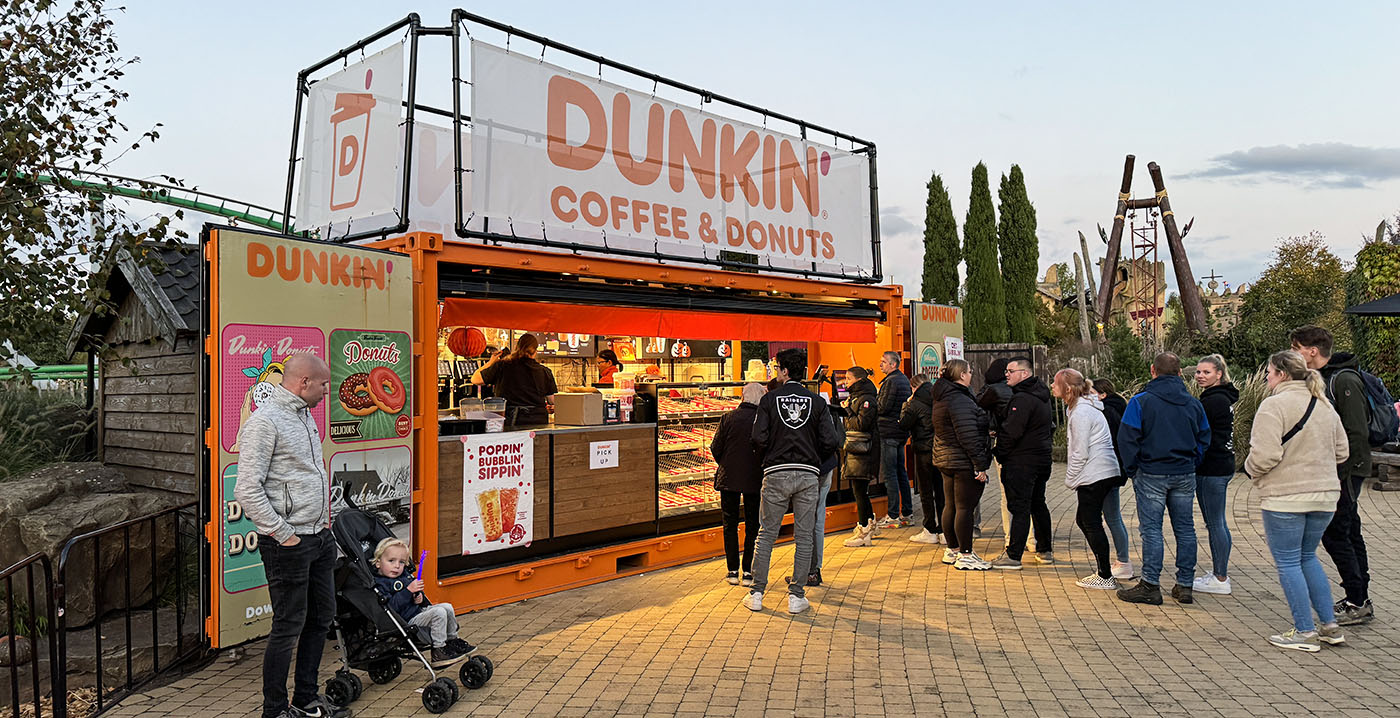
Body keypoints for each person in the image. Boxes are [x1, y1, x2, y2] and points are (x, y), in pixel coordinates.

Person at [232, 354, 348, 718]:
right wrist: (284, 535)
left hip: (318, 537)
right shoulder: (265, 422)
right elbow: (247, 490)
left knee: (321, 617)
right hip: (288, 543)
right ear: (303, 382)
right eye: (323, 385)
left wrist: (323, 527)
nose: (327, 392)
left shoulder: (304, 414)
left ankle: (306, 699)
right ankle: (275, 710)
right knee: (288, 626)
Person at [1244, 351, 1349, 652]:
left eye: (1269, 372)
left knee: (1289, 561)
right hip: (1326, 495)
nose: (1266, 377)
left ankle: (1304, 630)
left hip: (1286, 497)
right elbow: (1342, 451)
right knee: (1308, 557)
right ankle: (1329, 625)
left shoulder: (1273, 405)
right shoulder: (1324, 404)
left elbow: (1265, 455)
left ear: (1282, 374)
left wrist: (1251, 471)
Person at [745, 349, 842, 614]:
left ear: (785, 371)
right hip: (808, 474)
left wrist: (767, 457)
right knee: (804, 536)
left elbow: (758, 438)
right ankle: (796, 596)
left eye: (778, 369)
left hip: (776, 472)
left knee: (766, 534)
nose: (777, 373)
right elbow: (831, 442)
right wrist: (813, 460)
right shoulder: (817, 402)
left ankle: (756, 592)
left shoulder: (769, 400)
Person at [1290, 325, 1375, 626]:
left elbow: (1355, 432)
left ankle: (1358, 599)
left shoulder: (1344, 379)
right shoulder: (1322, 379)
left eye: (1297, 348)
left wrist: (1341, 472)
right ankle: (1358, 596)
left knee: (1340, 532)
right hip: (1335, 470)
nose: (1294, 353)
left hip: (1346, 471)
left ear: (1312, 350)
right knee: (1346, 529)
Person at [1115, 352, 1211, 606]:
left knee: (1152, 530)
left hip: (1151, 471)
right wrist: (1192, 461)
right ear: (1180, 373)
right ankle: (1185, 583)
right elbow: (1204, 437)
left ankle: (1150, 584)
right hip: (1183, 470)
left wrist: (1132, 468)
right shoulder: (1193, 403)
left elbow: (1126, 438)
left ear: (1152, 371)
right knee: (1185, 528)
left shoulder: (1140, 402)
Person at [1055, 369, 1124, 590]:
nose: (1052, 387)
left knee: (1090, 521)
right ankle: (1103, 571)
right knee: (1085, 520)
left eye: (1055, 383)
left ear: (1067, 388)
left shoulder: (1082, 413)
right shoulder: (1081, 408)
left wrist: (1071, 478)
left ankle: (1104, 575)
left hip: (1095, 473)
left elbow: (1079, 451)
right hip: (1100, 471)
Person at [990, 357, 1055, 570]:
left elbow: (1012, 431)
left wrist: (999, 452)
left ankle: (1014, 555)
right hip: (1041, 458)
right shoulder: (1042, 396)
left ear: (1024, 373)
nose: (1006, 374)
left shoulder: (1023, 400)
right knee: (1038, 504)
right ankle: (1044, 550)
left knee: (1020, 507)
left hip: (1022, 462)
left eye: (1011, 371)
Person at [931, 359, 994, 571]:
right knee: (964, 508)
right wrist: (980, 464)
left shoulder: (942, 397)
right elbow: (968, 436)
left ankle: (953, 549)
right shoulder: (959, 400)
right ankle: (966, 553)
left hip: (945, 458)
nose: (971, 374)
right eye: (969, 371)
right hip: (962, 460)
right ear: (961, 375)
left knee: (951, 505)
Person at [371, 538, 474, 666]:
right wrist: (408, 591)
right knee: (439, 612)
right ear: (378, 563)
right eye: (391, 561)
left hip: (418, 612)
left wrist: (418, 598)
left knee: (447, 607)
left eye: (402, 562)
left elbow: (414, 598)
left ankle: (452, 640)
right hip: (406, 621)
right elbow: (392, 607)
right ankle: (438, 650)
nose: (397, 566)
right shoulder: (380, 584)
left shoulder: (404, 576)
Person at [710, 382, 766, 587]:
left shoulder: (728, 418)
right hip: (754, 479)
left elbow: (715, 447)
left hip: (729, 479)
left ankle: (732, 571)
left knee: (729, 524)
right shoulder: (762, 419)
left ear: (742, 397)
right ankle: (748, 572)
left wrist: (726, 464)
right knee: (753, 525)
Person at [1193, 354, 1239, 595]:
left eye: (1206, 372)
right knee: (1216, 521)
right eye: (1198, 372)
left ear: (1219, 374)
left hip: (1213, 467)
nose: (1200, 376)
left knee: (1215, 522)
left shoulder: (1214, 401)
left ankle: (1220, 576)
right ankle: (1219, 574)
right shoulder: (1219, 397)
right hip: (1220, 464)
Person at [1093, 378, 1135, 580]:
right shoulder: (1119, 409)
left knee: (1110, 517)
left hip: (1107, 470)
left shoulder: (1105, 412)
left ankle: (1123, 561)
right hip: (1115, 470)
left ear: (1102, 395)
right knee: (1112, 516)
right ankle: (1122, 560)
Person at [472, 333, 558, 426]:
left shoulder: (503, 366)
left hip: (511, 423)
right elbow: (552, 400)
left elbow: (475, 379)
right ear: (535, 351)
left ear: (517, 347)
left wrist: (491, 362)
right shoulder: (544, 371)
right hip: (538, 423)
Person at [841, 367, 883, 547]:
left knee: (860, 490)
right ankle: (868, 522)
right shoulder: (857, 398)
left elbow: (861, 424)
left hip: (864, 451)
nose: (845, 382)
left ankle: (864, 528)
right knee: (860, 490)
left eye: (848, 379)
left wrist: (847, 411)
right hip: (858, 451)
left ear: (857, 380)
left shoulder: (867, 400)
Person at [901, 373, 943, 545]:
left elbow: (903, 424)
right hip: (940, 449)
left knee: (926, 491)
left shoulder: (914, 403)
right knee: (941, 491)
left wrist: (906, 404)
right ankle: (944, 530)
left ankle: (930, 528)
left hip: (923, 450)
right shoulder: (938, 398)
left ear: (914, 387)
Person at [976, 358, 1015, 541]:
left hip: (997, 441)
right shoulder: (1021, 390)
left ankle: (1010, 537)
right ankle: (1030, 539)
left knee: (1004, 493)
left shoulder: (991, 390)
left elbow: (978, 409)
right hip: (1022, 447)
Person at [876, 351, 914, 527]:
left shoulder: (890, 382)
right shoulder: (904, 379)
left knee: (890, 473)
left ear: (893, 364)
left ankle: (892, 515)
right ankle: (907, 512)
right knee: (901, 472)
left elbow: (883, 407)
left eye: (884, 362)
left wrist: (875, 400)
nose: (880, 364)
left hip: (889, 432)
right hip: (900, 432)